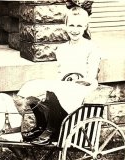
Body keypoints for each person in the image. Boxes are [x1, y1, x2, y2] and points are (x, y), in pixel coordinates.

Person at [16, 6, 101, 145]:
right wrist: (59, 85)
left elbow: (91, 75)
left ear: (85, 27)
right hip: (66, 85)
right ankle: (41, 126)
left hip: (84, 88)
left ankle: (50, 130)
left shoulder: (91, 48)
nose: (75, 29)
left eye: (79, 26)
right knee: (32, 87)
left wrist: (78, 81)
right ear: (66, 26)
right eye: (71, 25)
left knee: (58, 90)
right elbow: (61, 73)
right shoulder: (62, 49)